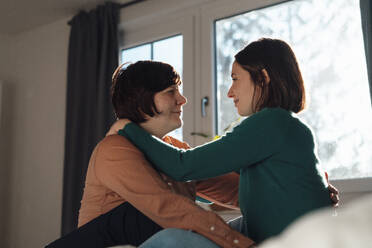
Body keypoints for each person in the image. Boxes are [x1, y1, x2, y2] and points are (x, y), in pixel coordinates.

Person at [109, 38, 337, 246]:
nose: (230, 92)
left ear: (263, 78)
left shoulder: (272, 121)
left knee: (174, 240)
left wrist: (127, 128)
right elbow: (212, 179)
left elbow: (184, 166)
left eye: (236, 79)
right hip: (284, 232)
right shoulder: (284, 126)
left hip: (293, 241)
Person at [45, 61, 256, 248]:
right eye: (170, 91)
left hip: (154, 237)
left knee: (251, 226)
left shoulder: (174, 152)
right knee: (174, 233)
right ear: (141, 100)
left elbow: (238, 192)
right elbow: (167, 208)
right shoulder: (114, 149)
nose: (182, 99)